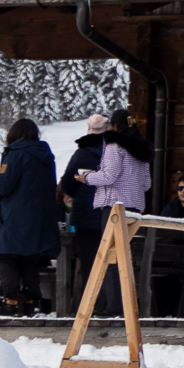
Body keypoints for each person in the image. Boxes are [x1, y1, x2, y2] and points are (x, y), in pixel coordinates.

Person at [0, 118, 63, 316]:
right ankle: (31, 301)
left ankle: (11, 301)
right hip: (38, 217)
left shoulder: (15, 154)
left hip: (14, 215)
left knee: (4, 255)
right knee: (29, 258)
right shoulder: (45, 156)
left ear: (13, 135)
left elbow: (4, 185)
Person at [81, 108, 153, 314]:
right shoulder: (141, 150)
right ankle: (128, 306)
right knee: (124, 257)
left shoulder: (114, 146)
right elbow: (146, 184)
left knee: (111, 256)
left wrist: (87, 178)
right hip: (135, 208)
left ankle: (114, 307)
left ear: (114, 126)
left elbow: (109, 176)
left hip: (115, 207)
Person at [58, 114, 109, 294]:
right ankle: (110, 303)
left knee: (89, 262)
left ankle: (91, 304)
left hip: (85, 215)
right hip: (110, 215)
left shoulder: (81, 154)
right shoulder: (117, 152)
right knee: (111, 261)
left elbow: (66, 184)